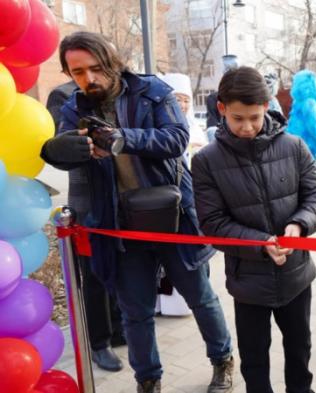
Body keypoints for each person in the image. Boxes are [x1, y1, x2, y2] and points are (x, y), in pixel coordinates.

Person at [39, 32, 233, 393]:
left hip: (173, 218)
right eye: (78, 72)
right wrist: (68, 148)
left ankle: (223, 361)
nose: (89, 79)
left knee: (201, 298)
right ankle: (148, 381)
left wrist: (122, 139)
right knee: (136, 313)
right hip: (119, 226)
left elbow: (176, 139)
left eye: (96, 68)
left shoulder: (152, 91)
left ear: (112, 63)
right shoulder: (73, 108)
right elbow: (56, 153)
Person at [192, 66, 316, 393]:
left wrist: (299, 224)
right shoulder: (207, 161)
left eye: (254, 116)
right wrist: (260, 242)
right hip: (248, 279)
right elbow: (212, 222)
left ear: (266, 107)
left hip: (296, 274)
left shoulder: (293, 146)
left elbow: (315, 195)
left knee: (299, 349)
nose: (248, 127)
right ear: (222, 109)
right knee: (254, 359)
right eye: (238, 118)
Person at [45, 79, 127, 372]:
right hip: (88, 198)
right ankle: (99, 343)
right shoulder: (63, 94)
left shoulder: (121, 90)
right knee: (94, 276)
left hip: (122, 195)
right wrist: (80, 144)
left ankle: (119, 328)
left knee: (121, 265)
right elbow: (55, 148)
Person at [159, 73, 208, 167]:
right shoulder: (159, 127)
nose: (182, 105)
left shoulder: (195, 128)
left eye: (186, 101)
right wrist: (188, 148)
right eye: (178, 100)